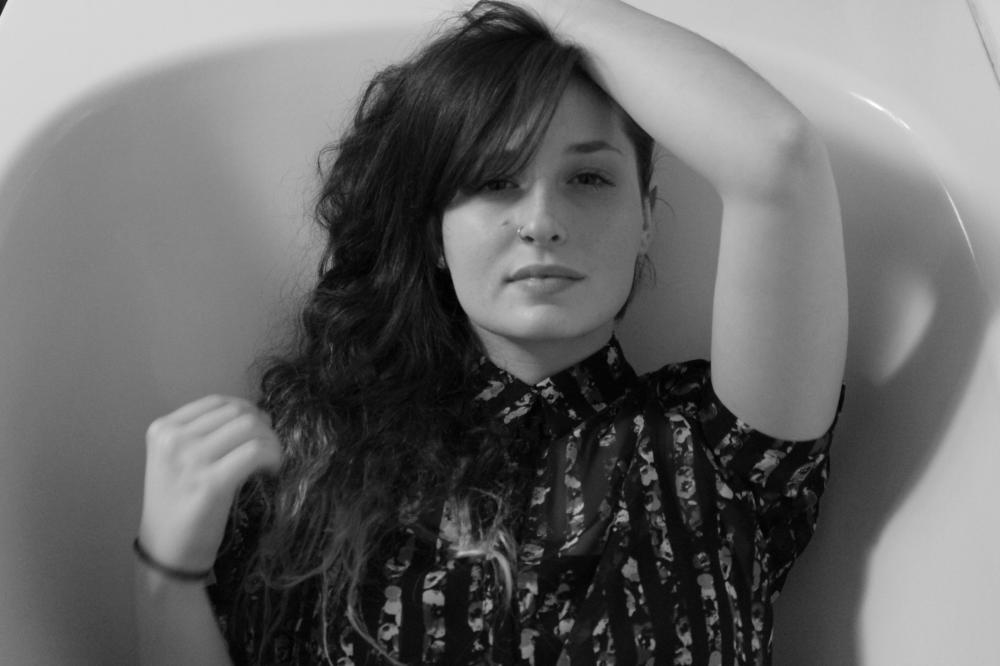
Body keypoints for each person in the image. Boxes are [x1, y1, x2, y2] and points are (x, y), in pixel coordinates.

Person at [134, 1, 848, 664]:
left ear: (646, 220)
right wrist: (168, 574)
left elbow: (776, 154)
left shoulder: (720, 449)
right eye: (494, 182)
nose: (541, 221)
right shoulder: (317, 452)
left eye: (589, 179)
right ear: (435, 236)